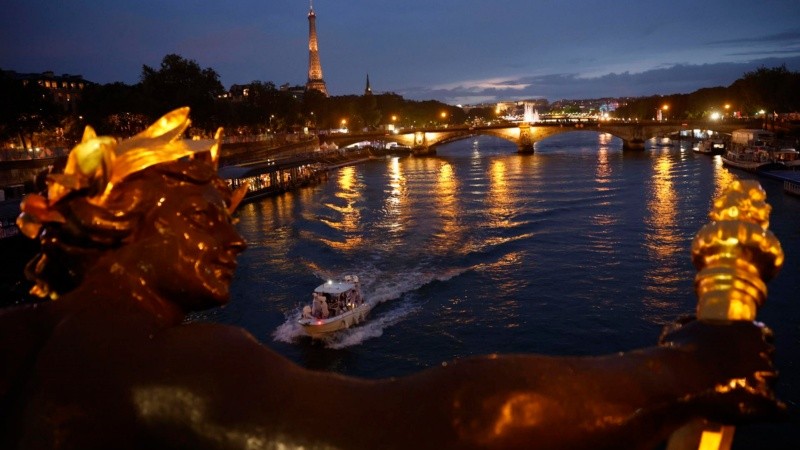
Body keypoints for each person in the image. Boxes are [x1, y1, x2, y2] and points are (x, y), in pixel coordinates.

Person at [0, 109, 783, 450]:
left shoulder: (25, 337)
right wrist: (684, 368)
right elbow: (455, 422)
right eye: (207, 216)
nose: (235, 237)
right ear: (121, 220)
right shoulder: (169, 367)